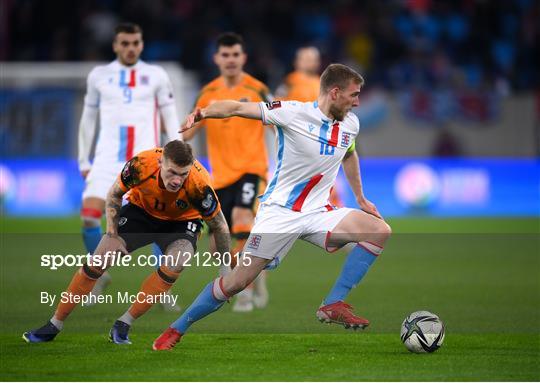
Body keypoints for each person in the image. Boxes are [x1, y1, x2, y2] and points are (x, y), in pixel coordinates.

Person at [152, 64, 392, 351]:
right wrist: (203, 113)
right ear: (335, 92)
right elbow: (237, 109)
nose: (357, 101)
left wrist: (361, 198)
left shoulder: (351, 124)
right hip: (279, 213)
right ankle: (177, 329)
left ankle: (332, 303)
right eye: (353, 95)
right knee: (235, 283)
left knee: (379, 231)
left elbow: (349, 154)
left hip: (318, 213)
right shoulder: (293, 113)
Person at [23, 140, 231, 345]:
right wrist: (112, 234)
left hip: (181, 223)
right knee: (100, 257)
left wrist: (224, 269)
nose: (177, 180)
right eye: (172, 172)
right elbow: (115, 194)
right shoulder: (141, 165)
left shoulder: (199, 184)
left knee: (178, 261)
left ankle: (124, 324)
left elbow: (220, 226)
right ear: (161, 163)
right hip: (141, 213)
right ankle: (54, 324)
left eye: (183, 174)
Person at [77, 22, 181, 310]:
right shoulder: (99, 76)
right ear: (115, 45)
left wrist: (176, 156)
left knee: (160, 222)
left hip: (146, 162)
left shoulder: (156, 75)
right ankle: (99, 276)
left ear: (142, 44)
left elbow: (170, 118)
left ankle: (160, 288)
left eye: (135, 43)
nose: (130, 48)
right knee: (88, 217)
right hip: (106, 160)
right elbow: (88, 119)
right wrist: (84, 158)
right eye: (125, 43)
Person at [182, 32, 271, 312]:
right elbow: (189, 131)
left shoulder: (258, 89)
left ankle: (242, 290)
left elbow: (280, 126)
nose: (231, 60)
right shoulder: (207, 94)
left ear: (243, 58)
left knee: (243, 221)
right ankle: (252, 281)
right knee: (215, 245)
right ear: (216, 58)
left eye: (235, 55)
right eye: (226, 55)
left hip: (251, 170)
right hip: (218, 176)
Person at [277, 46, 343, 207]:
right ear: (297, 62)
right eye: (305, 58)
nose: (309, 62)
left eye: (312, 59)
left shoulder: (323, 85)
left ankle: (334, 221)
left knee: (329, 189)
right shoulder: (290, 82)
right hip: (298, 147)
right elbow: (277, 111)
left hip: (321, 145)